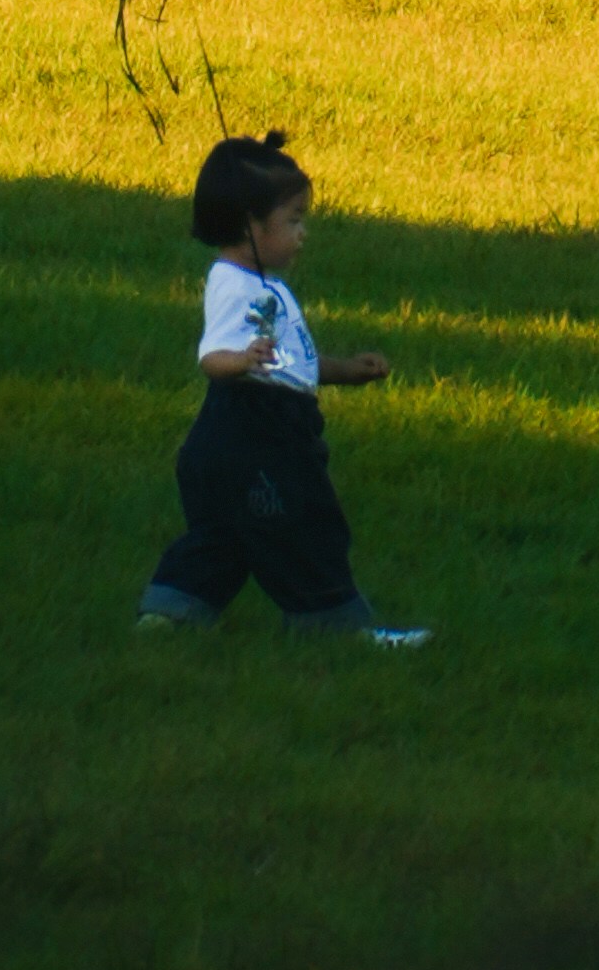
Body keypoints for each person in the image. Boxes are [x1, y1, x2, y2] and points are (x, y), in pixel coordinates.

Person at [137, 132, 428, 645]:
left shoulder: (267, 287)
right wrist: (241, 360)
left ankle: (172, 610)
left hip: (228, 440)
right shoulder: (233, 284)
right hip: (260, 433)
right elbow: (212, 356)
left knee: (223, 534)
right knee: (306, 525)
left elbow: (294, 365)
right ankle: (336, 627)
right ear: (251, 225)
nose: (303, 233)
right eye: (293, 220)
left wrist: (344, 370)